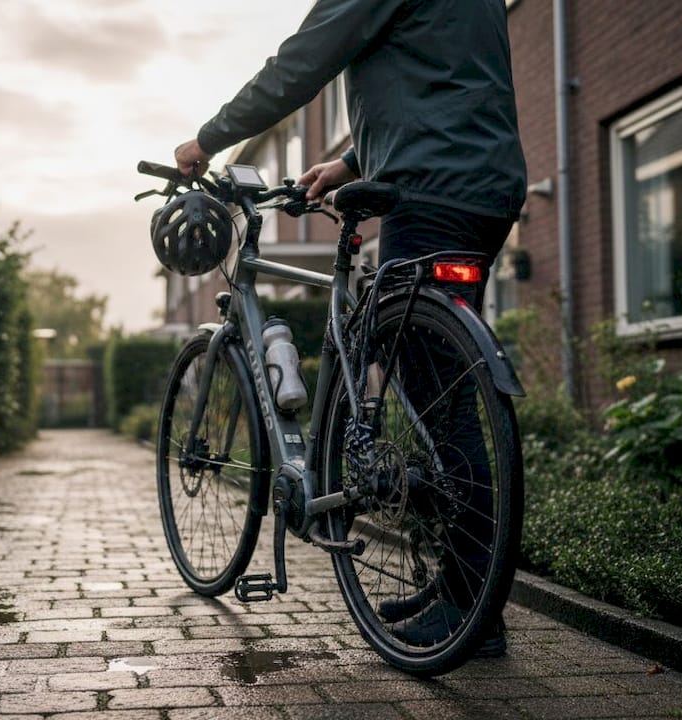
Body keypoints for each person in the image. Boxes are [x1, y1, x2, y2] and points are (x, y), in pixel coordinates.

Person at [174, 0, 526, 658]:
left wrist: (207, 140)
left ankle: (471, 613)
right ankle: (465, 588)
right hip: (484, 186)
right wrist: (351, 162)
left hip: (427, 189)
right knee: (442, 393)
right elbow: (445, 80)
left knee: (442, 407)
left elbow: (302, 62)